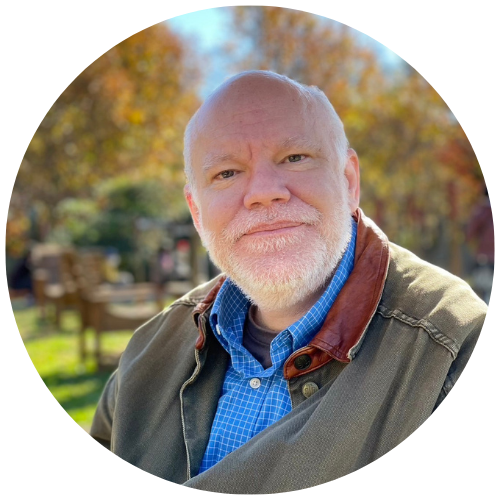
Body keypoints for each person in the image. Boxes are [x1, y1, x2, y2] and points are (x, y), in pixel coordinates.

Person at [90, 71, 487, 493]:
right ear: (196, 210)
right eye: (226, 173)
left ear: (349, 180)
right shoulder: (149, 350)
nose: (263, 192)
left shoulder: (453, 349)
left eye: (295, 157)